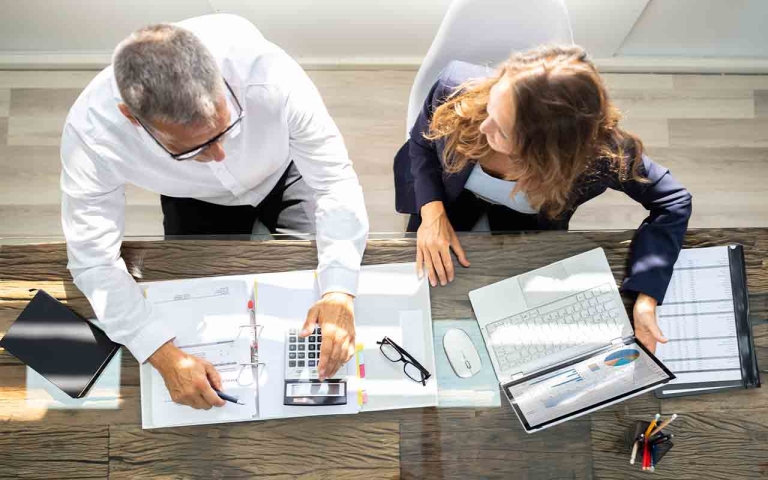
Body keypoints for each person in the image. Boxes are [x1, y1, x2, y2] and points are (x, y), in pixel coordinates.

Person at [61, 14, 369, 410]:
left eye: (227, 128)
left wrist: (340, 291)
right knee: (200, 301)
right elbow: (92, 261)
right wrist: (161, 353)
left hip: (287, 170)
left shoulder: (271, 75)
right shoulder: (91, 135)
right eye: (192, 149)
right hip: (192, 199)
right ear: (130, 117)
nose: (219, 154)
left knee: (312, 292)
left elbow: (334, 184)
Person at [394, 45, 692, 353]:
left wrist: (646, 296)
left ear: (549, 153)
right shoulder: (455, 86)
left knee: (519, 321)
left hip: (528, 225)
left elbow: (673, 202)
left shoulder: (603, 155)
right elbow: (421, 145)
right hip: (445, 195)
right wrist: (431, 213)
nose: (484, 127)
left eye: (503, 131)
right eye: (492, 105)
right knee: (420, 304)